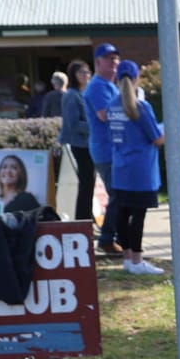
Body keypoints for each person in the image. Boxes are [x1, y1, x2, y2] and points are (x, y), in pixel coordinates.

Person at [104, 60, 166, 277]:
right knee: (138, 216)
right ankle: (138, 260)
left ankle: (128, 258)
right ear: (137, 78)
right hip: (141, 171)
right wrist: (168, 125)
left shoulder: (112, 105)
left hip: (120, 169)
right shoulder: (141, 107)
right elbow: (157, 139)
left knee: (122, 214)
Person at [84, 43, 123, 250]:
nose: (114, 62)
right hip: (106, 150)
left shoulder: (110, 85)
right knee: (117, 194)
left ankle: (114, 237)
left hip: (113, 149)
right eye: (109, 58)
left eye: (116, 58)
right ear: (98, 62)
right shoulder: (98, 86)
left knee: (120, 193)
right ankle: (107, 239)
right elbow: (105, 114)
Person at [60, 60, 96, 224]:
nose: (86, 75)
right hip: (79, 145)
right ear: (73, 76)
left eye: (87, 72)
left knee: (90, 184)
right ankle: (83, 220)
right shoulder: (71, 96)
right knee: (86, 183)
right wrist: (95, 126)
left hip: (90, 144)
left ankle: (87, 218)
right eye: (81, 72)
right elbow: (73, 124)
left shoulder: (86, 93)